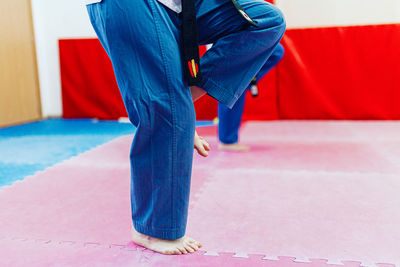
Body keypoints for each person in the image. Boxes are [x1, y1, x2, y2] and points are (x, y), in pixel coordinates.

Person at [85, 0, 285, 255]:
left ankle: (176, 103)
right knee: (168, 112)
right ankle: (151, 229)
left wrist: (178, 106)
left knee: (265, 20)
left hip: (183, 5)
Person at [218, 44, 284, 152]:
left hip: (237, 43)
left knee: (276, 50)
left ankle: (247, 79)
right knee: (233, 84)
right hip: (227, 46)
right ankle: (227, 140)